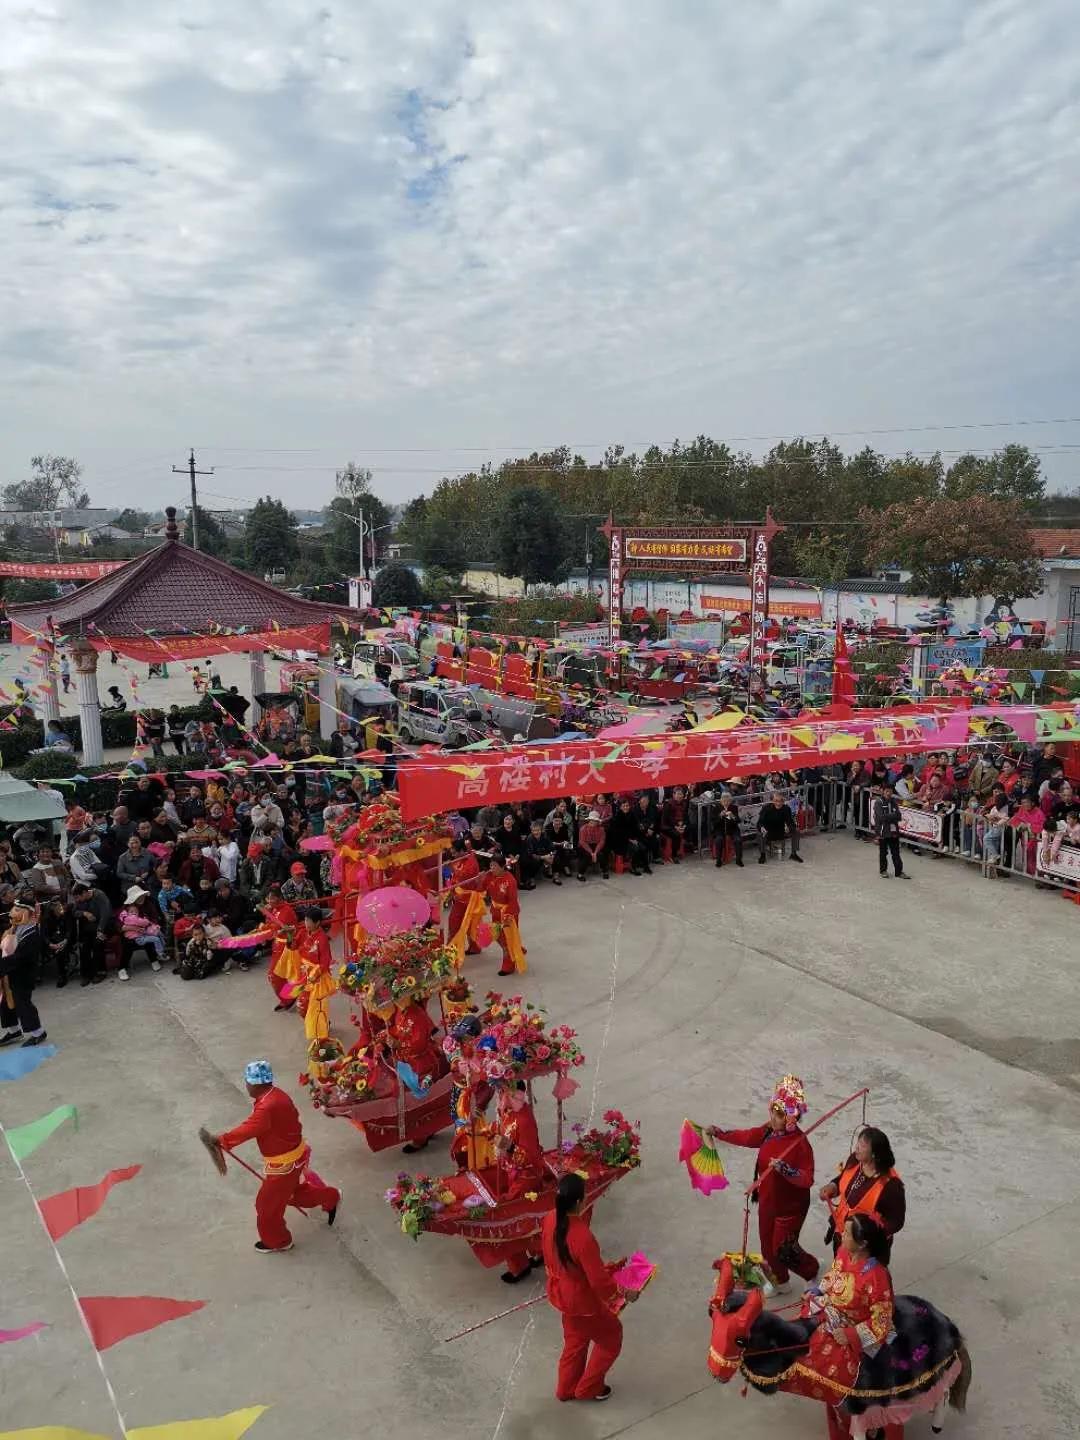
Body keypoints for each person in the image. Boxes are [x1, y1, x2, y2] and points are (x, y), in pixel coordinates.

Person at [707, 1076, 818, 1293]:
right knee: (767, 1247)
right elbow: (748, 1137)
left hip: (790, 1207)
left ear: (790, 1118)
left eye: (779, 1114)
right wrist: (720, 1133)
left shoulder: (800, 1144)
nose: (773, 1118)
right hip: (768, 1200)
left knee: (783, 1248)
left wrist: (785, 1169)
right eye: (773, 1111)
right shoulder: (769, 1131)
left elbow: (807, 1179)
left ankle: (811, 1271)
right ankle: (780, 1281)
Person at [215, 1059, 340, 1253]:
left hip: (284, 1165)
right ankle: (330, 1196)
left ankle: (279, 1241)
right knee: (291, 1194)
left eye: (248, 1082)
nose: (246, 1086)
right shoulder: (277, 1095)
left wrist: (223, 1140)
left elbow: (251, 1127)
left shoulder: (267, 1106)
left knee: (266, 1206)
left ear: (257, 1084)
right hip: (295, 1155)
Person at [540, 1171, 635, 1402]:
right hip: (582, 1301)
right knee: (612, 1336)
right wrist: (624, 1292)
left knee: (575, 1342)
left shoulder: (550, 1218)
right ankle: (589, 1388)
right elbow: (599, 1283)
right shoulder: (582, 1236)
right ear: (579, 1202)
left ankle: (566, 1389)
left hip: (561, 1293)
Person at [799, 1214, 895, 1439]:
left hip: (863, 1335)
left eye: (848, 1233)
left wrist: (852, 1334)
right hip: (834, 1317)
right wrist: (819, 1291)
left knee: (862, 1387)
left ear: (863, 1243)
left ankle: (870, 1425)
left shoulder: (877, 1276)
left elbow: (882, 1321)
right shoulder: (843, 1253)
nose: (841, 1234)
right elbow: (833, 1276)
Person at [819, 1126, 906, 1263]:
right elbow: (843, 1178)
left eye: (862, 1145)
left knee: (860, 1282)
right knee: (839, 1274)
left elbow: (896, 1221)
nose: (857, 1148)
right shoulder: (855, 1160)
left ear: (874, 1153)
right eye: (858, 1143)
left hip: (865, 1249)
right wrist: (833, 1187)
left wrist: (866, 1235)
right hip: (842, 1235)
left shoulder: (891, 1186)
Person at [0, 897, 47, 1047]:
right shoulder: (15, 927)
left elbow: (22, 957)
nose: (13, 913)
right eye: (14, 909)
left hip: (23, 974)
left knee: (22, 1003)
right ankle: (14, 1030)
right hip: (9, 972)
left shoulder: (32, 932)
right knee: (5, 1003)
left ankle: (38, 1032)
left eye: (18, 910)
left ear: (27, 912)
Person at [484, 850, 525, 976]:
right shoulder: (490, 876)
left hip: (509, 913)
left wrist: (508, 915)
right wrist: (480, 879)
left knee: (507, 938)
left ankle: (508, 965)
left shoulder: (510, 881)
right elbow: (481, 888)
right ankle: (517, 948)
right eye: (491, 865)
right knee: (497, 934)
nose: (492, 868)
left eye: (495, 866)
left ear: (503, 866)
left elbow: (512, 900)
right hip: (495, 911)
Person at [118, 886, 166, 976]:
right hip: (130, 933)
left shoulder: (148, 904)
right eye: (138, 897)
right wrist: (132, 928)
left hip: (146, 930)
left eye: (142, 896)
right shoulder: (127, 908)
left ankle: (154, 959)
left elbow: (154, 917)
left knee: (153, 938)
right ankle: (122, 968)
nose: (141, 898)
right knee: (128, 945)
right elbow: (120, 923)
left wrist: (151, 925)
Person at [871, 784, 909, 879]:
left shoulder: (894, 802)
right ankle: (883, 870)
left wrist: (890, 816)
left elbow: (899, 816)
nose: (889, 793)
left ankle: (899, 872)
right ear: (883, 791)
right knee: (883, 853)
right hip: (883, 831)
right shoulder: (878, 802)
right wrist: (893, 815)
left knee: (896, 853)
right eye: (887, 791)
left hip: (894, 831)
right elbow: (881, 817)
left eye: (890, 791)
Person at [606, 796, 651, 875]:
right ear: (620, 807)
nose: (626, 807)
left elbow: (635, 829)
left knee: (643, 846)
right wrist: (630, 840)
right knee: (635, 848)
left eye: (627, 806)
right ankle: (632, 867)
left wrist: (636, 838)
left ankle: (645, 866)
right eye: (624, 806)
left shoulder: (632, 815)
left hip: (631, 838)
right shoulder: (617, 817)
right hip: (620, 841)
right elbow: (618, 833)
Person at [757, 791, 803, 864]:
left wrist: (789, 827)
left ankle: (794, 853)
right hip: (768, 831)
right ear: (772, 801)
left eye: (781, 801)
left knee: (796, 831)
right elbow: (759, 822)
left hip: (781, 831)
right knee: (759, 834)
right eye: (776, 801)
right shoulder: (766, 808)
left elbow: (791, 822)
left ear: (783, 801)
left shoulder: (786, 808)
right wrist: (762, 828)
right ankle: (763, 855)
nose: (778, 803)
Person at [42, 895, 76, 987]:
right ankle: (61, 973)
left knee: (61, 951)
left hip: (65, 939)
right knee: (57, 950)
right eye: (57, 906)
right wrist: (50, 944)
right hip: (53, 941)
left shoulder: (66, 915)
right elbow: (44, 934)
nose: (60, 908)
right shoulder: (47, 918)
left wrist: (65, 940)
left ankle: (62, 975)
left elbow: (69, 930)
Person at [712, 792, 744, 868]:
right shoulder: (716, 808)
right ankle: (719, 859)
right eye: (724, 801)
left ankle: (738, 859)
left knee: (738, 840)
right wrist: (720, 816)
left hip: (732, 829)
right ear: (721, 801)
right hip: (720, 829)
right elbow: (713, 822)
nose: (726, 803)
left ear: (730, 801)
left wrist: (732, 816)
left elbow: (738, 821)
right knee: (718, 840)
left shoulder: (734, 807)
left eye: (728, 801)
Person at [576, 809, 608, 881]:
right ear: (589, 820)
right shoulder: (583, 829)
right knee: (586, 855)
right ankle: (580, 874)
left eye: (595, 820)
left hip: (596, 846)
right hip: (584, 846)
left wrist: (595, 852)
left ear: (598, 821)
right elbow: (582, 842)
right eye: (592, 820)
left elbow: (601, 841)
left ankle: (605, 871)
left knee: (602, 854)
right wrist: (591, 852)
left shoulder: (601, 829)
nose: (593, 822)